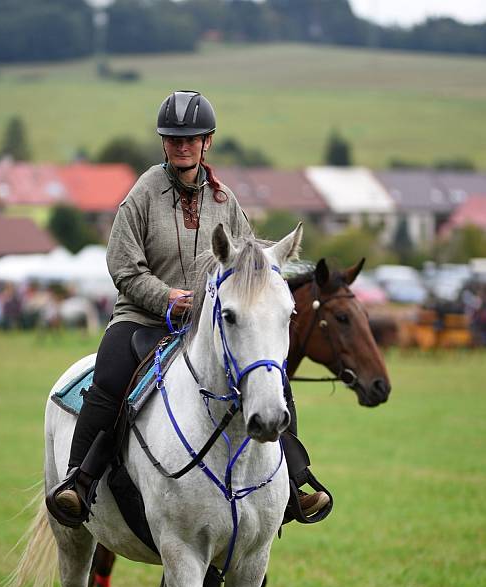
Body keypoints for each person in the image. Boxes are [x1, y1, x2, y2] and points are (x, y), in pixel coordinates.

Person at [46, 90, 329, 528]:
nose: (183, 145)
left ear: (207, 141)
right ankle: (78, 483)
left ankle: (294, 484)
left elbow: (245, 266)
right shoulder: (142, 193)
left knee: (271, 379)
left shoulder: (225, 202)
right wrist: (168, 298)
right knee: (108, 378)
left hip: (209, 325)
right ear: (163, 142)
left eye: (191, 138)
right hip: (141, 319)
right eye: (174, 138)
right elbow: (122, 264)